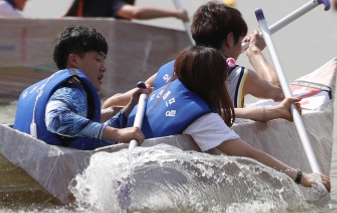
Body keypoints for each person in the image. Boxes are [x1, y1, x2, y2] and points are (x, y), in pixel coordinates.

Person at [127, 46, 329, 190]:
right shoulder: (202, 118)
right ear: (213, 82)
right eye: (225, 78)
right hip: (138, 173)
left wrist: (274, 112)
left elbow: (229, 112)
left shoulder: (167, 89)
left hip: (119, 147)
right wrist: (303, 178)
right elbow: (249, 154)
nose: (226, 82)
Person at [12, 26, 146, 148]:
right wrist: (116, 133)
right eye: (98, 60)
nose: (104, 68)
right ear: (74, 60)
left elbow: (95, 137)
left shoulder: (45, 91)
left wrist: (129, 108)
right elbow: (57, 120)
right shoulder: (71, 92)